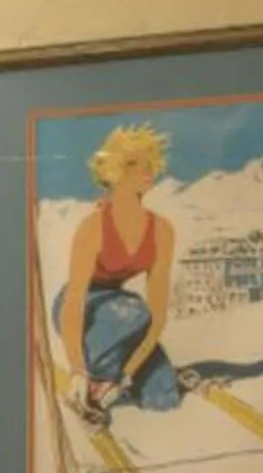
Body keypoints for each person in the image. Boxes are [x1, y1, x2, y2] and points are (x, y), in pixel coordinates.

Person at [56, 122, 184, 417]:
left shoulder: (162, 230)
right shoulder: (93, 227)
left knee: (163, 396)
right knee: (133, 311)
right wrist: (77, 370)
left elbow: (158, 314)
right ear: (112, 171)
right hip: (80, 310)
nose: (146, 170)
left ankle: (107, 380)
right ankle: (93, 381)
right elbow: (73, 304)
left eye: (149, 163)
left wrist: (126, 374)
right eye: (132, 164)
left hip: (123, 316)